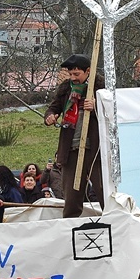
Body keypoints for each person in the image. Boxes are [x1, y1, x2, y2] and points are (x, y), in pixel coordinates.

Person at [44, 54, 105, 218]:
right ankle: (70, 227)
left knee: (102, 190)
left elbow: (114, 112)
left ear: (88, 71)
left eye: (76, 74)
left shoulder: (100, 89)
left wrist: (96, 106)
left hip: (95, 151)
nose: (73, 78)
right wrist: (50, 116)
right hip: (71, 150)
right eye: (70, 74)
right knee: (71, 195)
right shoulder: (66, 90)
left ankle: (115, 223)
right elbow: (53, 108)